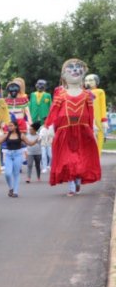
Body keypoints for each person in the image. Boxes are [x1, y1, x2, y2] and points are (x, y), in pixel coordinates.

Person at [42, 59, 101, 196]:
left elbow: (90, 113)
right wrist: (47, 126)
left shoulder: (87, 95)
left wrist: (93, 126)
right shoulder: (60, 95)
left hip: (83, 131)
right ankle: (71, 186)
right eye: (71, 68)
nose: (75, 70)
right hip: (65, 131)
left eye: (78, 67)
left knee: (81, 158)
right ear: (63, 75)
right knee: (68, 159)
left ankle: (78, 180)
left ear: (83, 73)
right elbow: (54, 111)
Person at [0, 118, 37, 197]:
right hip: (8, 155)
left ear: (15, 126)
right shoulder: (6, 135)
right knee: (7, 173)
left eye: (11, 126)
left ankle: (15, 191)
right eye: (9, 126)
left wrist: (37, 140)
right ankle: (11, 188)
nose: (9, 127)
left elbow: (30, 143)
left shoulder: (21, 135)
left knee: (16, 174)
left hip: (18, 155)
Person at [85, 74, 108, 154]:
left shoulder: (100, 92)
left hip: (97, 121)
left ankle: (96, 160)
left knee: (98, 140)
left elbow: (103, 106)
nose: (88, 82)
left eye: (91, 80)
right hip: (85, 121)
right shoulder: (83, 93)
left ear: (96, 82)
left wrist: (104, 119)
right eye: (86, 80)